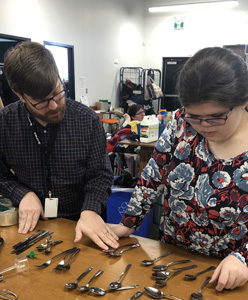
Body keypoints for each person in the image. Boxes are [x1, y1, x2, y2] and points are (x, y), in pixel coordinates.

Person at [109, 47, 248, 291]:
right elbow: (153, 176)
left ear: (243, 101)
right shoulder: (181, 122)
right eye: (195, 116)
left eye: (215, 117)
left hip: (231, 277)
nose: (204, 126)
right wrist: (127, 223)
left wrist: (244, 258)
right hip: (172, 259)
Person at [0, 41, 119, 251]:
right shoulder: (5, 123)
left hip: (81, 226)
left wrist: (91, 210)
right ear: (19, 95)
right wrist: (22, 194)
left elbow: (100, 175)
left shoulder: (87, 120)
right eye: (42, 102)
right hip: (31, 227)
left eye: (58, 93)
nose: (54, 106)